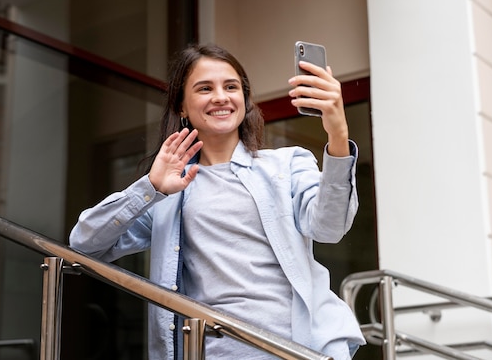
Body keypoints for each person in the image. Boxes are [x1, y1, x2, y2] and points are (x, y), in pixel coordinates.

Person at [69, 43, 365, 359]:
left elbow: (330, 228)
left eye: (231, 87)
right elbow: (85, 243)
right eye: (205, 88)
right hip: (217, 350)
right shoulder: (168, 190)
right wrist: (151, 187)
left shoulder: (287, 163)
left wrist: (337, 133)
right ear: (181, 106)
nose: (221, 97)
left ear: (245, 99)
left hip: (300, 348)